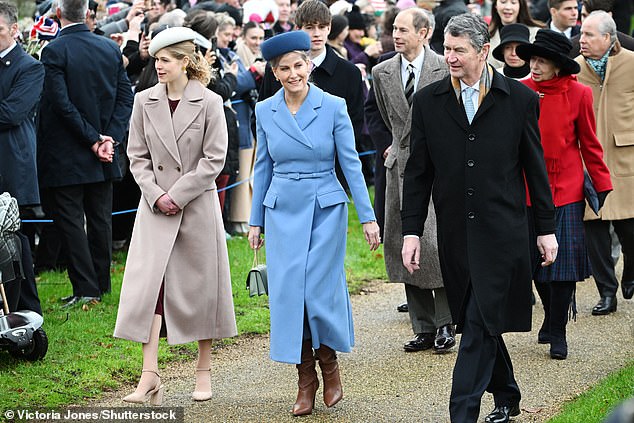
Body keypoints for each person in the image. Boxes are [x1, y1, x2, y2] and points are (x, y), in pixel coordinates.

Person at [400, 13, 558, 423]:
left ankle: (462, 413)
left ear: (483, 51)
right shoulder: (428, 101)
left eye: (458, 50)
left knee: (475, 322)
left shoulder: (520, 100)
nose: (449, 57)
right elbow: (417, 174)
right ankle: (507, 393)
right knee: (479, 321)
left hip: (503, 233)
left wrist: (546, 229)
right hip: (455, 235)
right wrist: (412, 232)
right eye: (447, 49)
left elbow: (535, 170)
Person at [248, 31, 380, 417]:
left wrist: (367, 216)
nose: (293, 74)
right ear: (274, 71)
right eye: (284, 68)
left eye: (299, 65)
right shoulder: (265, 111)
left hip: (325, 207)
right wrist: (255, 220)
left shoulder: (334, 105)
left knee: (317, 292)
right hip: (282, 208)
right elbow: (263, 167)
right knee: (289, 295)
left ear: (309, 64)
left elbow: (351, 163)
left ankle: (330, 363)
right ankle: (305, 379)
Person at [114, 27, 237, 405]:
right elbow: (136, 156)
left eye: (166, 59)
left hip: (196, 207)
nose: (158, 66)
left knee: (201, 290)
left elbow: (214, 160)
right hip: (154, 210)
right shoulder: (143, 100)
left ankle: (204, 371)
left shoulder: (211, 102)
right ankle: (149, 375)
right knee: (150, 291)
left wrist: (178, 194)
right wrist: (156, 194)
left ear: (185, 61)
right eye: (156, 59)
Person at [516, 29, 612, 359]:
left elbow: (590, 143)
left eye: (542, 60)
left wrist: (601, 183)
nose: (535, 65)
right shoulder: (521, 91)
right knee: (535, 263)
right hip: (527, 190)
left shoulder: (580, 93)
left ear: (558, 65)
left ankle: (558, 329)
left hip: (566, 189)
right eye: (533, 59)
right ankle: (550, 312)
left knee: (563, 266)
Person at [37, 0, 133, 307]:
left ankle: (87, 288)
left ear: (57, 14)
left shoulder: (53, 50)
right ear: (88, 13)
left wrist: (97, 139)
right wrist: (109, 139)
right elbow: (124, 100)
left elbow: (61, 103)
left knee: (72, 221)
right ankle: (99, 285)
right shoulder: (109, 48)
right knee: (99, 218)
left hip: (70, 152)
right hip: (102, 150)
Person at [371, 7, 455, 354]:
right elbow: (384, 117)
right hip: (400, 170)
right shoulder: (382, 71)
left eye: (404, 29)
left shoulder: (443, 67)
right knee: (405, 244)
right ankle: (422, 327)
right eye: (394, 29)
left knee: (435, 245)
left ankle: (446, 322)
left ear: (425, 33)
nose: (397, 35)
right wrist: (392, 148)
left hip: (437, 168)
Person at [258, 0, 366, 192]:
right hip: (284, 176)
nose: (317, 33)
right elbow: (261, 118)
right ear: (298, 28)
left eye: (322, 27)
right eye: (310, 27)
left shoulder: (349, 73)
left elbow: (355, 123)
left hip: (329, 176)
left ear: (330, 28)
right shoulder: (275, 70)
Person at [575, 11, 634, 314]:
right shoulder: (574, 70)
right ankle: (606, 293)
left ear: (609, 39)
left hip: (626, 157)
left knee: (629, 227)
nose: (581, 40)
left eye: (588, 35)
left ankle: (632, 269)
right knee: (595, 231)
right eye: (581, 34)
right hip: (588, 161)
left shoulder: (631, 64)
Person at [0, 1, 45, 315]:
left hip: (11, 165)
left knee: (17, 240)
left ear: (14, 29)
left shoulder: (29, 67)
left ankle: (27, 309)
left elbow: (11, 113)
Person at [487, 0, 544, 68]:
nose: (508, 7)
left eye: (513, 2)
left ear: (521, 6)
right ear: (495, 5)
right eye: (503, 2)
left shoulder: (536, 34)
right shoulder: (487, 36)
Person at [568, 0, 634, 57]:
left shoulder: (629, 46)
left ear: (609, 15)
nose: (587, 22)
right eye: (584, 16)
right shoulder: (570, 48)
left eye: (594, 17)